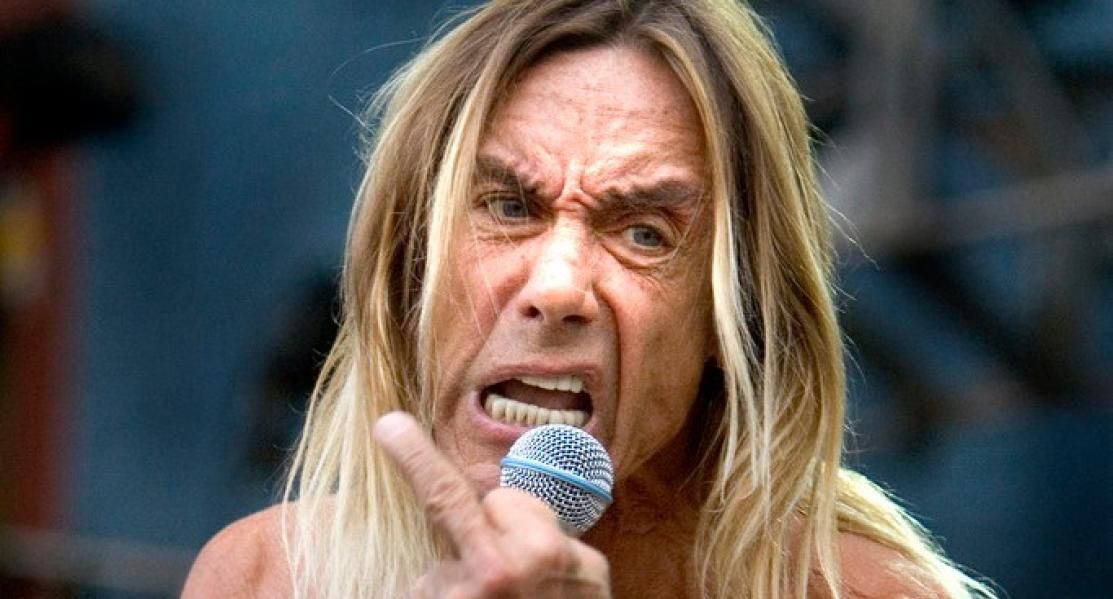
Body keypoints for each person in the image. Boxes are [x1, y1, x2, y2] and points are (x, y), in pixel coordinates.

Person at [184, 1, 995, 597]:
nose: (557, 287)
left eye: (644, 232)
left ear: (735, 317)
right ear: (408, 264)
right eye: (509, 207)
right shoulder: (264, 579)